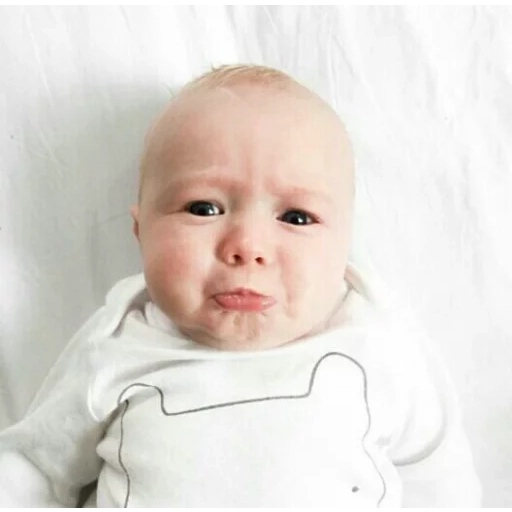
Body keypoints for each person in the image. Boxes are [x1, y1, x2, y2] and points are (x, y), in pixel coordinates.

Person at [0, 64, 481, 510]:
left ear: (345, 242)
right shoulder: (118, 343)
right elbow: (33, 469)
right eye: (203, 208)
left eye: (297, 217)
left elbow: (436, 468)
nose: (248, 246)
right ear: (140, 229)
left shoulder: (374, 339)